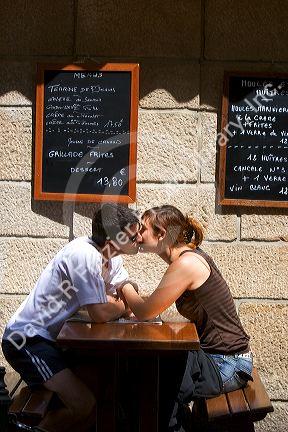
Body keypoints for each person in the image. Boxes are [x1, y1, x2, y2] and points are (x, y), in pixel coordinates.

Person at [1, 203, 141, 432]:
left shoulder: (110, 256)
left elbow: (125, 285)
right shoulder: (84, 255)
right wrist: (122, 304)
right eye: (133, 237)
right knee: (83, 404)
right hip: (27, 340)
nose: (139, 240)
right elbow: (99, 313)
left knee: (100, 386)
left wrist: (122, 297)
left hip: (50, 341)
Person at [118, 205, 253, 431]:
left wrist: (125, 285)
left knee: (157, 382)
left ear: (161, 234)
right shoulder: (186, 258)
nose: (136, 234)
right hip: (219, 358)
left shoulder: (186, 263)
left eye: (142, 229)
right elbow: (152, 306)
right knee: (157, 372)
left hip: (227, 364)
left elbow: (145, 312)